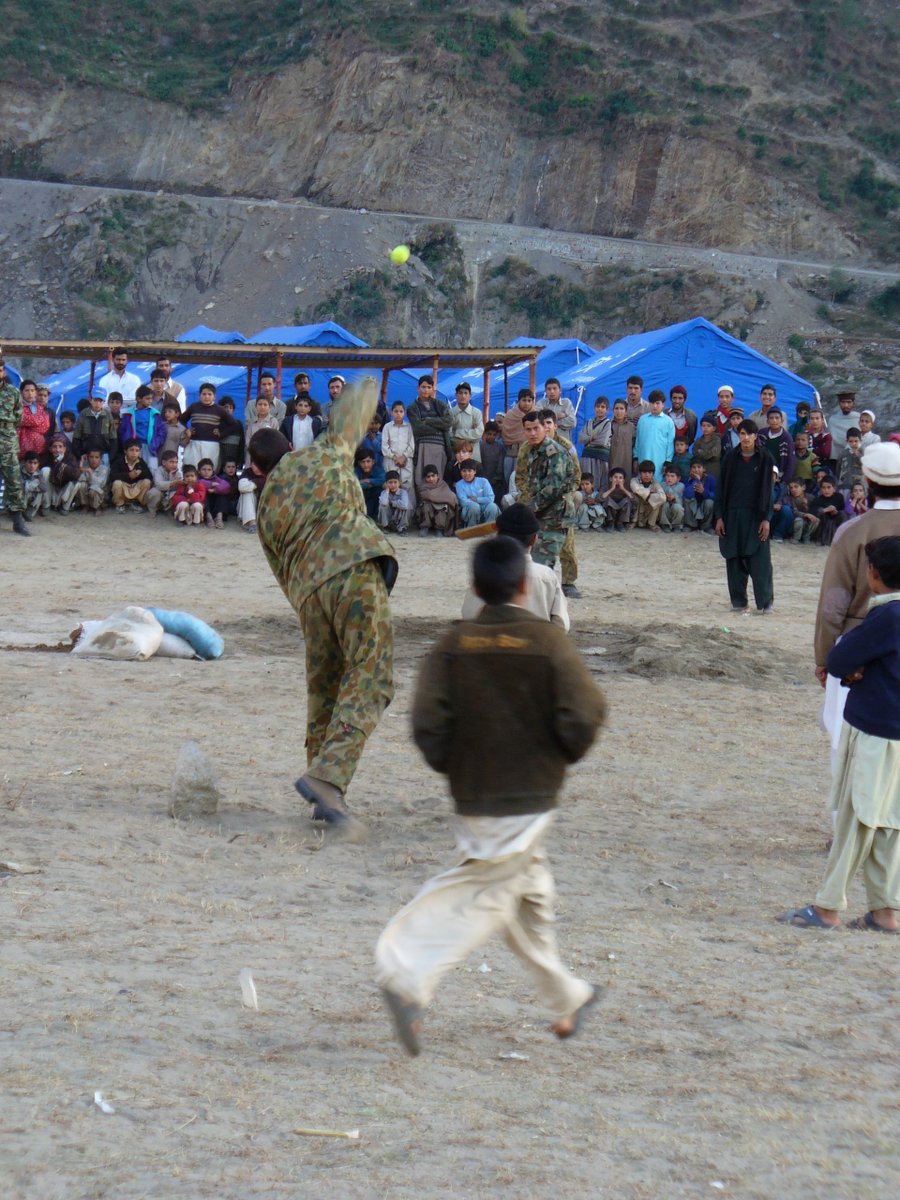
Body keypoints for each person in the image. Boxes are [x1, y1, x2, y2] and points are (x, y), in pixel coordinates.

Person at [375, 536, 606, 1055]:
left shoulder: (453, 644)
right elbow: (586, 713)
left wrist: (455, 765)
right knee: (486, 896)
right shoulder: (549, 643)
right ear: (526, 586)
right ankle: (405, 977)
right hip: (530, 795)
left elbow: (427, 724)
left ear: (475, 587)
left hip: (476, 793)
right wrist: (558, 756)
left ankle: (570, 999)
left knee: (525, 894)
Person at [250, 380, 397, 832]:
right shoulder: (323, 453)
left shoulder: (264, 508)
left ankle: (322, 788)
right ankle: (329, 780)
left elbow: (281, 573)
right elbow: (354, 408)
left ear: (257, 470)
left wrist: (309, 604)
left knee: (325, 689)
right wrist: (370, 382)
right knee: (371, 674)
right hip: (353, 564)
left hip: (309, 593)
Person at [778, 535, 900, 933]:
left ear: (873, 575)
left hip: (877, 731)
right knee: (887, 823)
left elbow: (839, 659)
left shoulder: (887, 617)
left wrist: (853, 667)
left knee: (857, 819)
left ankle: (828, 907)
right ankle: (885, 911)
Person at [814, 442, 900, 773]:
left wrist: (825, 659)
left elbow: (833, 605)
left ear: (867, 479)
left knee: (847, 753)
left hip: (857, 652)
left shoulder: (852, 531)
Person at [460, 504, 570, 630]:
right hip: (538, 645)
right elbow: (561, 625)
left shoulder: (487, 568)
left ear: (498, 534)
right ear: (534, 540)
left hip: (486, 645)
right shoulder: (547, 576)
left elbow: (468, 614)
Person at [714, 420, 774, 613]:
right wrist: (719, 517)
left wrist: (767, 519)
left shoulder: (765, 458)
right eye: (742, 433)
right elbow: (721, 489)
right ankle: (739, 602)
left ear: (756, 436)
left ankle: (766, 603)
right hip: (732, 515)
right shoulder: (730, 458)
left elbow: (770, 491)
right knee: (733, 558)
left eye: (749, 434)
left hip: (756, 516)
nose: (746, 437)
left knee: (760, 561)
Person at [518, 410, 578, 579]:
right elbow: (522, 477)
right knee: (535, 557)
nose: (532, 433)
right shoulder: (528, 450)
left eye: (536, 428)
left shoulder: (555, 452)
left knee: (543, 560)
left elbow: (553, 488)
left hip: (556, 513)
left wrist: (529, 507)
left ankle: (566, 584)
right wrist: (525, 501)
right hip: (537, 509)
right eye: (528, 430)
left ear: (545, 427)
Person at [0, 357, 29, 535]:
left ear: (3, 371)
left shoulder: (12, 392)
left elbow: (19, 417)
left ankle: (18, 520)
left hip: (7, 439)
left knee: (13, 479)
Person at [408, 376, 452, 492]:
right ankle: (423, 507)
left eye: (429, 387)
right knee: (422, 479)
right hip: (422, 448)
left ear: (433, 389)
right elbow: (418, 428)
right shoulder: (412, 407)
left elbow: (448, 422)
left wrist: (428, 420)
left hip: (440, 448)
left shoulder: (440, 404)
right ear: (418, 388)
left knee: (438, 479)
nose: (426, 390)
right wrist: (438, 428)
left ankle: (439, 506)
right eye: (423, 387)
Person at [495, 388, 537, 484]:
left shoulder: (536, 416)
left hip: (529, 454)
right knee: (508, 480)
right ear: (519, 401)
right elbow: (506, 435)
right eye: (524, 400)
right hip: (511, 453)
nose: (526, 403)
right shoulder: (510, 415)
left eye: (529, 400)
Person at [183, 382, 228, 471]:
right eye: (204, 394)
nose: (206, 397)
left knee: (208, 470)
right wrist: (187, 430)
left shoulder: (219, 410)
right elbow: (181, 420)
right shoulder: (194, 407)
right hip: (194, 443)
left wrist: (221, 434)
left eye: (209, 394)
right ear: (200, 395)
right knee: (192, 469)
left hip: (211, 445)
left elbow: (233, 425)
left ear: (214, 396)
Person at [634, 389, 675, 480]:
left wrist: (667, 461)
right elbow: (638, 440)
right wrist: (636, 457)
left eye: (657, 403)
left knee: (658, 483)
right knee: (642, 484)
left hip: (660, 460)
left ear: (663, 404)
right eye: (652, 403)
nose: (654, 406)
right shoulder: (642, 419)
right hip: (643, 457)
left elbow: (670, 443)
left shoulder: (668, 421)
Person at [109, 439, 152, 512]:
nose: (134, 453)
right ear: (125, 451)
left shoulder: (141, 462)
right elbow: (112, 476)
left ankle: (136, 503)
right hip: (124, 487)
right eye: (131, 450)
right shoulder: (119, 461)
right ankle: (120, 504)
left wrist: (140, 473)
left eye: (137, 450)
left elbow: (149, 476)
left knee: (147, 482)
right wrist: (128, 475)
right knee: (117, 483)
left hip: (135, 488)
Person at [578, 396, 611, 491]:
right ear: (594, 408)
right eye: (597, 406)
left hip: (600, 458)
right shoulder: (589, 422)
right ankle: (584, 501)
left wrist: (587, 440)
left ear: (607, 410)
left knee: (598, 482)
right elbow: (581, 438)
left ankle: (597, 502)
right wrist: (591, 438)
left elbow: (603, 441)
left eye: (602, 407)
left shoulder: (608, 424)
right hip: (587, 457)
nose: (599, 409)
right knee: (586, 480)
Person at [455, 459, 500, 528]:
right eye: (464, 471)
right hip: (470, 510)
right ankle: (471, 530)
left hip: (485, 508)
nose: (467, 474)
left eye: (470, 471)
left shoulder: (484, 481)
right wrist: (479, 502)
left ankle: (489, 530)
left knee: (492, 506)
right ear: (460, 472)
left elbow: (491, 498)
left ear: (475, 471)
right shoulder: (459, 485)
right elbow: (463, 502)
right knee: (474, 507)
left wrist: (477, 499)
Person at [381, 401, 415, 492]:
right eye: (396, 411)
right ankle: (390, 506)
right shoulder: (387, 427)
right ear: (392, 413)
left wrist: (403, 457)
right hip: (391, 461)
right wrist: (395, 458)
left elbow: (411, 444)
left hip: (406, 461)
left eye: (401, 411)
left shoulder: (409, 427)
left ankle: (408, 506)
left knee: (407, 486)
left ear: (404, 413)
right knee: (392, 486)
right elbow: (384, 445)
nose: (398, 414)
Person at [416, 464, 458, 537]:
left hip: (440, 508)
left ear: (437, 476)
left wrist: (436, 498)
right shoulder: (422, 486)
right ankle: (425, 527)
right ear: (425, 478)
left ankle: (439, 528)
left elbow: (450, 496)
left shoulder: (443, 484)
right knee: (426, 504)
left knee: (444, 507)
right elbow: (427, 496)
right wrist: (441, 497)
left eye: (433, 476)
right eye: (428, 477)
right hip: (428, 509)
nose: (431, 479)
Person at [45, 433, 81, 514]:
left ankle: (65, 507)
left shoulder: (70, 457)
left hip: (64, 492)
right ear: (50, 448)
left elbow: (76, 475)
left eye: (60, 447)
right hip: (51, 491)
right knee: (45, 470)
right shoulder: (47, 457)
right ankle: (46, 505)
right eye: (54, 447)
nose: (57, 450)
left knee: (77, 484)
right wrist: (55, 463)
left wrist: (61, 465)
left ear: (65, 448)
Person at [72, 394, 115, 460]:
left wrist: (110, 456)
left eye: (100, 401)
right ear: (90, 400)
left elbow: (113, 438)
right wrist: (80, 455)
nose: (97, 404)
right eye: (95, 400)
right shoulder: (83, 414)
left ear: (104, 402)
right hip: (86, 454)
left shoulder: (108, 414)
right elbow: (77, 437)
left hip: (104, 454)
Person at [757, 407, 795, 482]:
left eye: (777, 418)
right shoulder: (762, 434)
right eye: (771, 418)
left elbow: (791, 460)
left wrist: (784, 479)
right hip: (762, 472)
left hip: (779, 475)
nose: (774, 420)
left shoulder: (787, 437)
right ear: (768, 421)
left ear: (782, 420)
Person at [450, 383, 484, 461]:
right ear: (456, 395)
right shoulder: (450, 413)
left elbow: (478, 433)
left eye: (466, 393)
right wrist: (469, 435)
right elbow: (449, 434)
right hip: (456, 454)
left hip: (473, 453)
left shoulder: (476, 413)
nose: (463, 396)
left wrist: (457, 432)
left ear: (470, 395)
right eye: (460, 393)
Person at [630, 460, 666, 532]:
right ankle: (633, 522)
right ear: (640, 473)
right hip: (637, 508)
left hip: (648, 509)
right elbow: (635, 488)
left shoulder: (655, 483)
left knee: (658, 501)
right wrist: (648, 494)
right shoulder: (634, 480)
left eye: (649, 473)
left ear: (653, 474)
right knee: (636, 497)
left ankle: (651, 524)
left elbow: (662, 496)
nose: (647, 475)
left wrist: (650, 497)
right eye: (644, 472)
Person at [809, 476, 845, 546]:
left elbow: (842, 510)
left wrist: (835, 512)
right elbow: (812, 513)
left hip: (836, 522)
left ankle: (841, 538)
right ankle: (822, 539)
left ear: (834, 488)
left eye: (829, 487)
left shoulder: (839, 497)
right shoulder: (818, 500)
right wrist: (825, 510)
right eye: (824, 488)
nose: (826, 490)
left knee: (842, 514)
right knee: (822, 515)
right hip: (824, 524)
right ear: (820, 489)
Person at [682, 461, 716, 533]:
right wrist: (696, 480)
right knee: (686, 499)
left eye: (699, 467)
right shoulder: (687, 479)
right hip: (692, 506)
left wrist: (704, 492)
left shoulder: (710, 478)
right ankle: (690, 525)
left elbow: (714, 495)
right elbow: (687, 494)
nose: (696, 470)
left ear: (704, 469)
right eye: (694, 467)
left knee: (710, 502)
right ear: (690, 469)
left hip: (703, 505)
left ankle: (706, 526)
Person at [73, 449, 109, 516]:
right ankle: (85, 505)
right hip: (88, 493)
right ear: (87, 458)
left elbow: (100, 484)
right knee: (82, 484)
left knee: (93, 489)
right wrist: (81, 465)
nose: (93, 460)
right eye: (91, 457)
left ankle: (98, 508)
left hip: (100, 495)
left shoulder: (104, 469)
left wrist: (90, 474)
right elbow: (79, 479)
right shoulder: (86, 467)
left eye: (96, 457)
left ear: (101, 459)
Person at [146, 450, 182, 517]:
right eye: (171, 462)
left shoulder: (177, 473)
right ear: (164, 462)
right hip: (160, 495)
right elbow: (158, 484)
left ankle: (169, 510)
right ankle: (152, 510)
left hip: (169, 496)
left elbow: (178, 487)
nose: (174, 465)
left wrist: (172, 476)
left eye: (176, 462)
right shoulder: (159, 470)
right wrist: (173, 482)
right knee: (154, 492)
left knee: (176, 494)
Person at [607, 398, 635, 485]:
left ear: (626, 412)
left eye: (621, 409)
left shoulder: (631, 427)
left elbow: (635, 444)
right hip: (611, 460)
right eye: (616, 408)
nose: (619, 411)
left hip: (626, 461)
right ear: (613, 410)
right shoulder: (608, 425)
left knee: (625, 483)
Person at [828, 390, 861, 459]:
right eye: (843, 402)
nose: (846, 405)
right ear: (839, 403)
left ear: (853, 403)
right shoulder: (833, 420)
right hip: (836, 458)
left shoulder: (859, 419)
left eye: (849, 402)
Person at [480, 421, 506, 506]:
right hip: (482, 477)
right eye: (489, 434)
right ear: (485, 433)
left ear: (497, 435)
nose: (491, 436)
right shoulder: (481, 445)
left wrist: (497, 477)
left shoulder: (500, 446)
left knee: (494, 499)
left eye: (494, 435)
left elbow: (501, 462)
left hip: (495, 479)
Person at [692, 413, 723, 484]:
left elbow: (715, 455)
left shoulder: (717, 439)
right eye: (703, 426)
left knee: (714, 488)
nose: (705, 428)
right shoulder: (698, 440)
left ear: (714, 428)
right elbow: (695, 453)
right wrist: (708, 453)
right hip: (701, 470)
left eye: (708, 426)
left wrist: (701, 452)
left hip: (714, 469)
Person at [354, 448, 385, 520]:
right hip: (363, 498)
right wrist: (372, 484)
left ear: (373, 462)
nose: (366, 464)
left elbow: (383, 481)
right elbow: (355, 484)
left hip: (375, 499)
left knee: (380, 491)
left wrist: (368, 480)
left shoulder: (377, 469)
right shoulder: (357, 471)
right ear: (359, 463)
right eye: (363, 462)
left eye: (368, 461)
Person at [378, 470, 410, 535]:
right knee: (382, 505)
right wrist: (387, 491)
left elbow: (405, 505)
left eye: (395, 482)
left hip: (399, 519)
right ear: (386, 484)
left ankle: (402, 528)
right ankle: (386, 526)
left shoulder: (403, 492)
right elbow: (384, 503)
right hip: (389, 518)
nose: (393, 485)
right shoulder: (384, 492)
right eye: (390, 482)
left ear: (399, 483)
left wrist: (393, 503)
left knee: (404, 507)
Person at [19, 452, 47, 520]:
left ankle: (31, 511)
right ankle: (19, 511)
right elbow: (19, 486)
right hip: (20, 499)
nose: (32, 466)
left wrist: (34, 485)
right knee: (24, 487)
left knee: (41, 492)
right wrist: (30, 484)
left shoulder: (38, 473)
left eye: (35, 463)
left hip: (32, 498)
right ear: (24, 462)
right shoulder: (19, 471)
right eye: (30, 463)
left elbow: (44, 488)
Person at [659, 466, 685, 532]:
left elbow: (682, 500)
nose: (669, 478)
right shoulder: (662, 485)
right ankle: (665, 525)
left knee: (678, 507)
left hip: (676, 505)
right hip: (666, 506)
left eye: (672, 476)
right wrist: (665, 497)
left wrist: (674, 498)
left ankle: (677, 525)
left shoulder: (681, 486)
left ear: (678, 478)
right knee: (665, 505)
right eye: (667, 476)